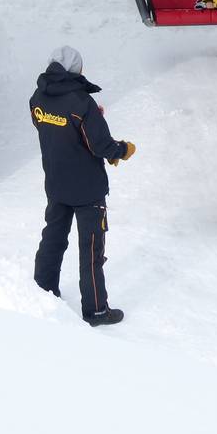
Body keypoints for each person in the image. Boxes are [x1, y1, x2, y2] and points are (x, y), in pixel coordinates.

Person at [29, 46, 135, 327]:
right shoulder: (81, 102)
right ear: (76, 70)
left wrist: (89, 121)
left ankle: (42, 290)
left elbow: (51, 127)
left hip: (56, 183)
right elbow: (100, 145)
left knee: (53, 238)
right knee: (91, 249)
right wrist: (122, 150)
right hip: (87, 189)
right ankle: (96, 310)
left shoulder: (38, 97)